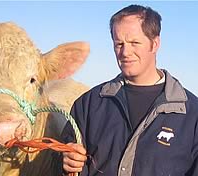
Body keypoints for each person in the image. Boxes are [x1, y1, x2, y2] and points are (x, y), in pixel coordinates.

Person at [61, 4, 198, 176]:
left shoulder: (192, 115)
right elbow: (66, 153)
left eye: (134, 43)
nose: (125, 52)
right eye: (119, 44)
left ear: (155, 44)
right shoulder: (88, 105)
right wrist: (67, 160)